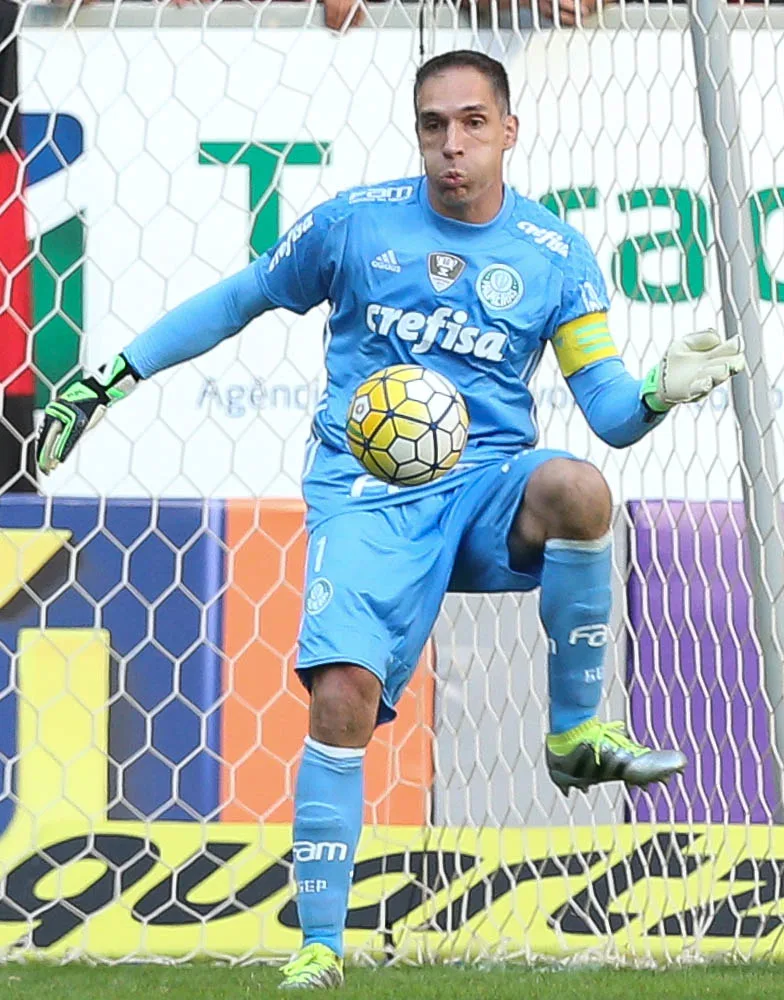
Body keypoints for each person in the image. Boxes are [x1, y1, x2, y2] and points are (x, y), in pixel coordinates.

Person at [37, 49, 744, 989]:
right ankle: (320, 948)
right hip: (369, 493)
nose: (451, 145)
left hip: (487, 486)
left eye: (472, 123)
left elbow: (610, 413)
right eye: (432, 125)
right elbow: (239, 300)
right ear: (418, 131)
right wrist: (112, 376)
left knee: (580, 488)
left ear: (509, 131)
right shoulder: (353, 227)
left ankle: (574, 732)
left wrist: (660, 390)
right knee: (340, 701)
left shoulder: (554, 254)